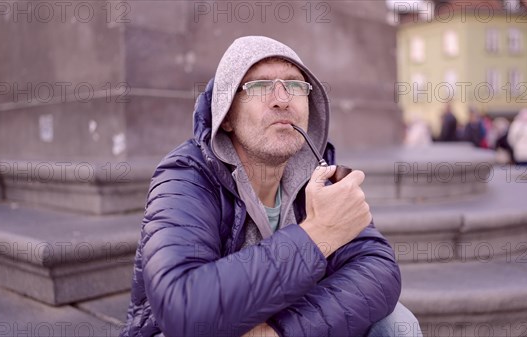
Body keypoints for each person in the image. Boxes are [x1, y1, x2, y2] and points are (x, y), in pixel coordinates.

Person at [121, 36, 420, 337]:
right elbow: (182, 309)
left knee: (397, 324)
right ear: (226, 117)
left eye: (294, 85)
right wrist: (318, 234)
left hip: (282, 320)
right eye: (261, 86)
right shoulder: (187, 175)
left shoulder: (319, 173)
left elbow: (378, 269)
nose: (282, 98)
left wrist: (281, 332)